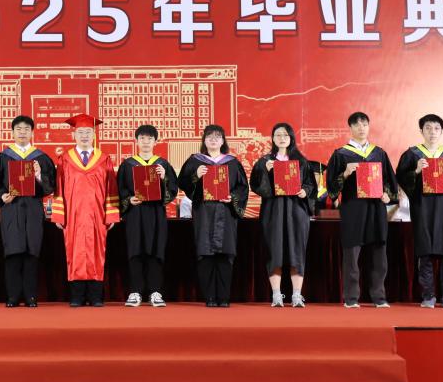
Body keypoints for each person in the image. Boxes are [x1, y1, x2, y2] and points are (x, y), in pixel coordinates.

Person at [396, 114, 443, 309]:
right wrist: (416, 171)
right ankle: (428, 295)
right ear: (421, 131)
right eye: (428, 128)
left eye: (436, 128)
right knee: (425, 252)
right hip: (423, 208)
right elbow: (401, 178)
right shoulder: (413, 155)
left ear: (441, 131)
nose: (432, 132)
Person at [326, 111, 398, 309]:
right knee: (351, 254)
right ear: (350, 128)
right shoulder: (341, 154)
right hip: (353, 208)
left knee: (379, 254)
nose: (361, 128)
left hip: (376, 208)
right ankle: (351, 298)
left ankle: (379, 297)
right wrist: (345, 173)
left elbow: (390, 182)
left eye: (364, 124)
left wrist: (388, 195)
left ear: (369, 127)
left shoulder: (379, 153)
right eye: (357, 125)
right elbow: (331, 187)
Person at [0, 115, 56, 307]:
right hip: (12, 208)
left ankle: (31, 296)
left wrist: (39, 175)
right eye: (19, 129)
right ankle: (13, 296)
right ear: (12, 132)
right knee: (13, 252)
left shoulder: (41, 158)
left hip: (33, 208)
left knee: (32, 251)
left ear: (32, 132)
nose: (22, 132)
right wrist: (2, 196)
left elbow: (50, 186)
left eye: (26, 129)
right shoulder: (4, 157)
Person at [51, 113, 119, 307]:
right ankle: (77, 296)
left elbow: (111, 188)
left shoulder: (104, 159)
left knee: (97, 252)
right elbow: (58, 188)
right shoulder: (65, 159)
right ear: (74, 135)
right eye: (80, 132)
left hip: (97, 215)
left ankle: (96, 296)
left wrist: (111, 214)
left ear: (94, 135)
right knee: (74, 253)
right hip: (73, 215)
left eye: (88, 132)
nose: (84, 136)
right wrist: (59, 215)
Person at [178, 125, 249, 308]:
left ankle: (224, 297)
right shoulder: (195, 161)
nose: (213, 140)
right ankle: (209, 297)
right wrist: (196, 175)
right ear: (204, 140)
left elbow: (242, 188)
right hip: (204, 213)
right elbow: (183, 183)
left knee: (225, 255)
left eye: (217, 136)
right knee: (205, 254)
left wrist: (232, 197)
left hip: (226, 213)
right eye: (209, 136)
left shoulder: (232, 163)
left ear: (223, 141)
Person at [249, 123, 316, 308]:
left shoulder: (301, 162)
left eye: (285, 135)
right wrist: (266, 171)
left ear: (291, 138)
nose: (282, 138)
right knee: (274, 250)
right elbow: (256, 185)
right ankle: (276, 295)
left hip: (297, 211)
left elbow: (311, 185)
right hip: (273, 210)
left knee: (297, 251)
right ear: (272, 138)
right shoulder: (265, 161)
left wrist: (305, 191)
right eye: (278, 135)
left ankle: (296, 295)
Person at [116, 124, 177, 308]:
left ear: (155, 142)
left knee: (155, 251)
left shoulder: (163, 164)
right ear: (136, 141)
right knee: (135, 251)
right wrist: (129, 199)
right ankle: (135, 291)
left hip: (156, 213)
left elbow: (172, 190)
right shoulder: (128, 164)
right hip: (135, 214)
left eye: (150, 138)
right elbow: (119, 189)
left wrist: (164, 177)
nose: (145, 142)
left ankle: (155, 292)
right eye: (142, 138)